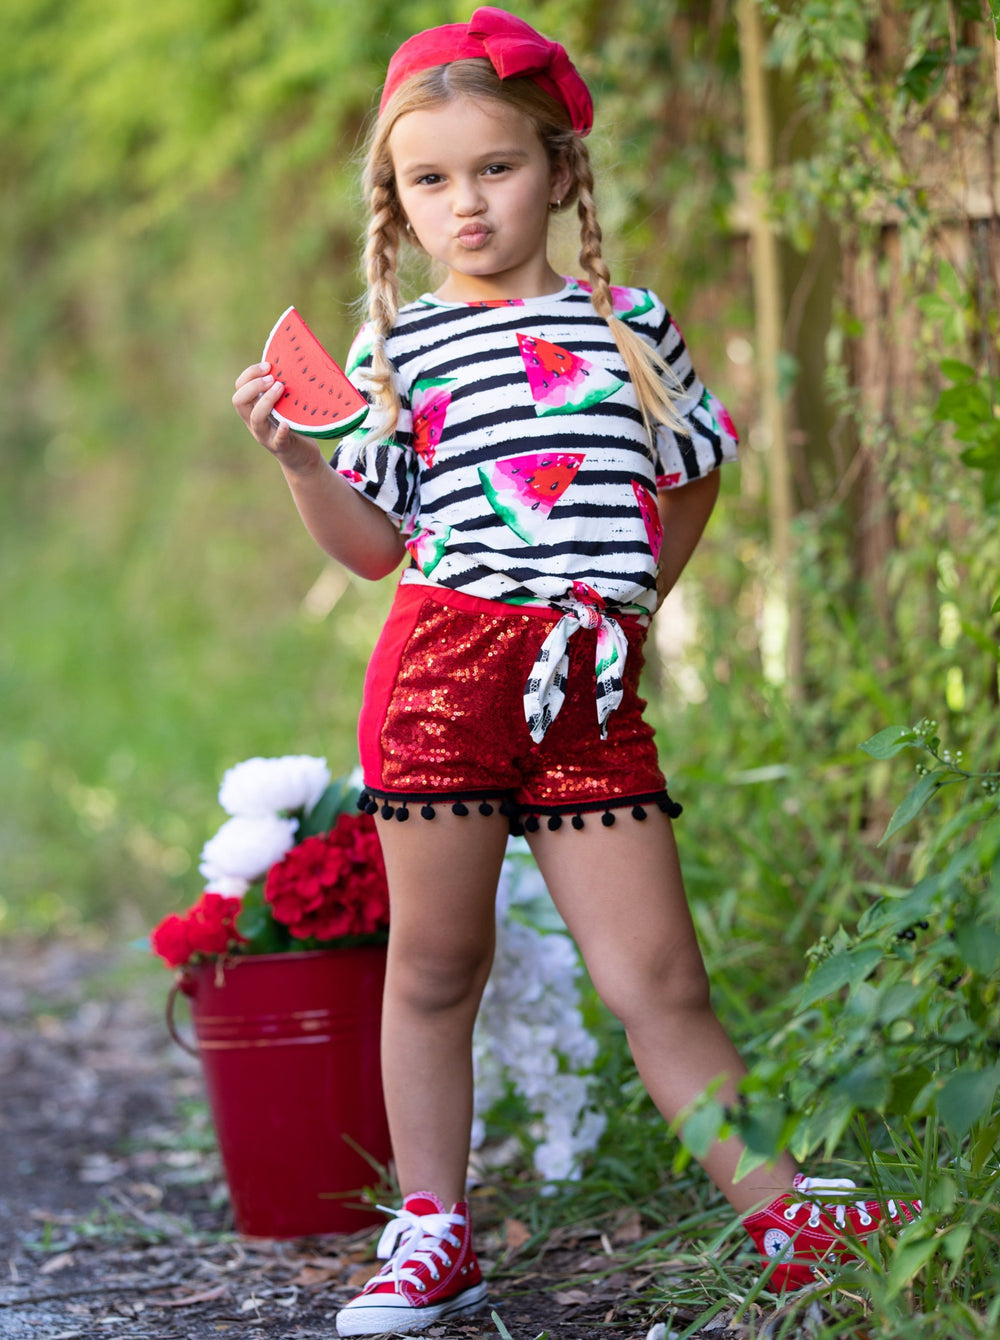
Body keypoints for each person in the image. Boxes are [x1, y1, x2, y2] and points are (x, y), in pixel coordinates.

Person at [232, 9, 919, 1334]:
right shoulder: (398, 353)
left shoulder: (631, 325)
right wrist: (301, 464)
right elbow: (377, 552)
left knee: (658, 976)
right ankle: (433, 1232)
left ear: (558, 170)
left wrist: (640, 595)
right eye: (430, 180)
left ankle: (782, 1217)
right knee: (438, 964)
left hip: (591, 689)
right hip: (444, 674)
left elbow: (700, 458)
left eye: (495, 167)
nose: (467, 203)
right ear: (400, 200)